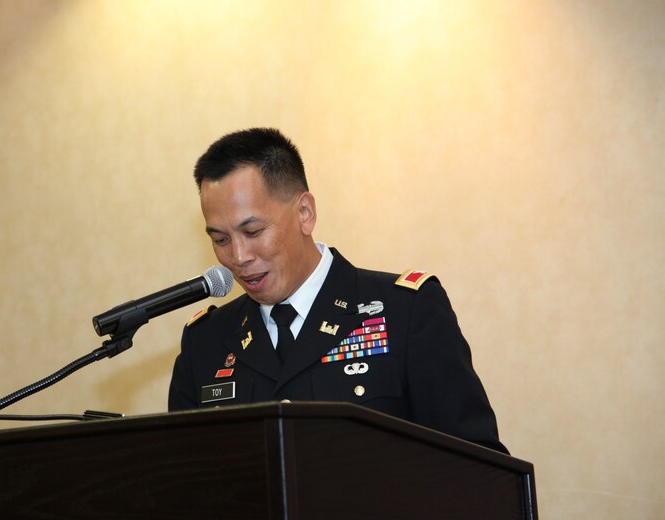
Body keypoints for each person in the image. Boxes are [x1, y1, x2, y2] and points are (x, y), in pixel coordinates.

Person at [168, 128, 507, 453]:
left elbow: (478, 466)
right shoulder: (207, 342)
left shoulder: (406, 311)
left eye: (253, 231)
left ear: (305, 213)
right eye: (221, 240)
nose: (239, 257)